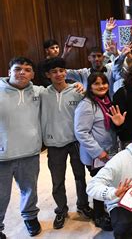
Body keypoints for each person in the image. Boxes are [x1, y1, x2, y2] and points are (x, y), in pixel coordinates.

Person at [40, 58, 93, 229]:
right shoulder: (41, 93)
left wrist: (83, 89)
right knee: (57, 180)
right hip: (55, 144)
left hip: (76, 142)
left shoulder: (77, 91)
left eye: (61, 70)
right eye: (54, 71)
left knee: (80, 177)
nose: (59, 74)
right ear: (48, 75)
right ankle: (61, 210)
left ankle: (83, 205)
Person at [74, 72, 125, 231]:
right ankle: (99, 215)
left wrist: (119, 124)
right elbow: (81, 132)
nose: (101, 86)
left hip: (109, 150)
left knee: (108, 181)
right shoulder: (87, 104)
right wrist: (98, 152)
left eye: (103, 83)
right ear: (90, 86)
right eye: (96, 84)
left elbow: (110, 127)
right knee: (99, 183)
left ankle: (106, 209)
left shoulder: (107, 101)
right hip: (96, 155)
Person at [0, 57, 43, 237]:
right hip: (2, 156)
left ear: (32, 74)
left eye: (27, 69)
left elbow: (60, 90)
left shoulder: (39, 92)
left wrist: (77, 86)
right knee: (1, 196)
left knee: (29, 189)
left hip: (30, 152)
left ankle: (30, 216)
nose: (22, 73)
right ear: (9, 71)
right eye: (18, 69)